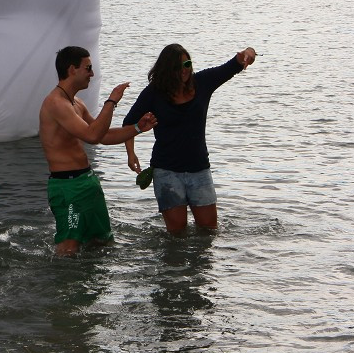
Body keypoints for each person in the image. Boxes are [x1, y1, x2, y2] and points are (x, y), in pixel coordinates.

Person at [122, 43, 256, 234]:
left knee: (209, 231)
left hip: (199, 168)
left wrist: (249, 53)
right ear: (167, 70)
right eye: (178, 67)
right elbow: (129, 123)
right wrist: (131, 153)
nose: (184, 71)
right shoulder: (154, 93)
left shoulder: (203, 82)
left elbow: (232, 65)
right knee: (177, 235)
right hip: (166, 171)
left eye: (187, 64)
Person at [39, 46, 157, 256]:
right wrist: (111, 102)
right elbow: (92, 136)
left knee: (101, 241)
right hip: (68, 188)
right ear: (72, 69)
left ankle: (95, 285)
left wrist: (137, 128)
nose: (92, 74)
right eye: (88, 68)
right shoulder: (55, 104)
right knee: (69, 245)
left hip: (87, 181)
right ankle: (64, 286)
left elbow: (103, 136)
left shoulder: (76, 102)